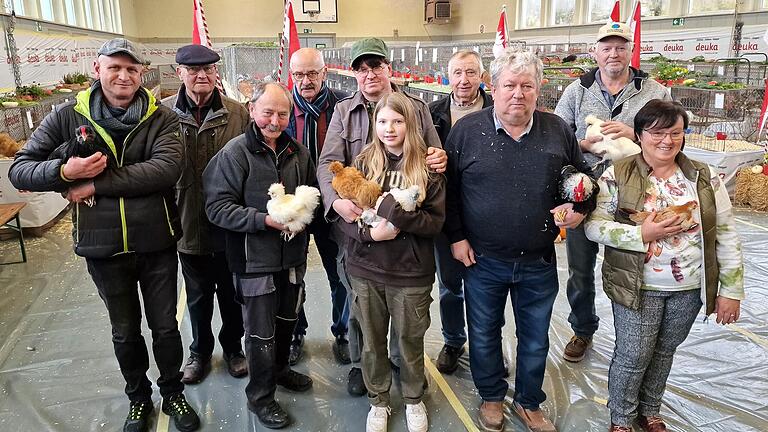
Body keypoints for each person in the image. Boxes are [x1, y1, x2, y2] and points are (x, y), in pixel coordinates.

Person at [9, 38, 200, 432]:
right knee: (125, 329)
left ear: (141, 75)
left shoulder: (160, 117)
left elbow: (165, 169)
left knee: (165, 326)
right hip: (102, 246)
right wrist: (64, 173)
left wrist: (95, 185)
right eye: (115, 67)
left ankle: (173, 392)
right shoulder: (67, 117)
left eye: (131, 69)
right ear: (97, 70)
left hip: (156, 242)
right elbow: (20, 169)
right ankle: (138, 398)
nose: (123, 75)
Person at [444, 48, 596, 432]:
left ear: (539, 88)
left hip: (539, 260)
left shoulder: (558, 129)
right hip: (482, 260)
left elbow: (583, 181)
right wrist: (457, 238)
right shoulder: (466, 131)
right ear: (492, 88)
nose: (518, 93)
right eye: (509, 85)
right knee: (482, 333)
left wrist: (581, 207)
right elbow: (449, 190)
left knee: (534, 338)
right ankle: (492, 396)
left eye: (526, 85)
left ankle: (529, 402)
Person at [584, 100, 744, 432]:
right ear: (640, 135)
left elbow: (726, 232)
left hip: (688, 288)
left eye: (675, 133)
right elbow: (593, 226)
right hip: (636, 285)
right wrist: (641, 233)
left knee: (664, 351)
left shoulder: (704, 176)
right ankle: (622, 418)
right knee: (633, 356)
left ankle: (650, 410)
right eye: (657, 133)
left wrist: (730, 290)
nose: (666, 141)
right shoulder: (618, 173)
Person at [317, 37, 446, 397]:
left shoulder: (417, 108)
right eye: (361, 68)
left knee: (404, 314)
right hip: (359, 228)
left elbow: (434, 155)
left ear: (388, 68)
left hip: (407, 238)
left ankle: (398, 364)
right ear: (354, 74)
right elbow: (328, 164)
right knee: (362, 302)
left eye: (375, 66)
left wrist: (440, 160)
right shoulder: (345, 111)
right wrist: (336, 203)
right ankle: (363, 366)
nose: (369, 73)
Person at [554, 21, 672, 363]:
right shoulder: (577, 91)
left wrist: (634, 135)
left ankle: (632, 336)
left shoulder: (654, 92)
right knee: (579, 267)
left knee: (632, 265)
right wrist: (583, 143)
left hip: (637, 192)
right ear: (596, 52)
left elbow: (671, 139)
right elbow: (557, 137)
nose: (613, 53)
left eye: (620, 46)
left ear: (630, 50)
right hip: (585, 190)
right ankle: (583, 329)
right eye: (606, 47)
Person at [203, 81, 315, 429]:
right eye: (268, 112)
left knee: (287, 321)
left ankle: (281, 371)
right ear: (252, 110)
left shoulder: (298, 152)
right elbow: (217, 208)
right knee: (260, 333)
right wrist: (264, 220)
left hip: (292, 257)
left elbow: (311, 193)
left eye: (283, 114)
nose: (275, 121)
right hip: (254, 262)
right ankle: (260, 396)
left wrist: (302, 220)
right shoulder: (236, 154)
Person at [338, 92, 445, 432]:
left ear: (411, 124)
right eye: (382, 121)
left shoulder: (428, 166)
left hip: (411, 272)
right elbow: (345, 219)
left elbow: (433, 223)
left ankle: (413, 398)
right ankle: (379, 401)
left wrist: (387, 207)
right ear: (374, 125)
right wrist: (371, 236)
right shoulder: (363, 163)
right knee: (372, 343)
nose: (389, 128)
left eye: (397, 121)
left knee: (410, 342)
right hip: (366, 270)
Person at [164, 44, 249, 384]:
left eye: (208, 69)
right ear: (179, 73)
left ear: (216, 73)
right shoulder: (163, 114)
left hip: (230, 226)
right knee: (197, 298)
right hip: (187, 223)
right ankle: (199, 351)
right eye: (193, 70)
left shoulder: (238, 114)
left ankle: (233, 348)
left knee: (232, 294)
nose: (202, 75)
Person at [428, 49, 493, 374]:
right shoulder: (433, 113)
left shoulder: (499, 109)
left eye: (471, 72)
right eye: (457, 73)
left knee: (488, 288)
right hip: (445, 214)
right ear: (448, 76)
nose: (464, 80)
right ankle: (453, 341)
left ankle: (487, 347)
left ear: (482, 76)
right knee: (450, 285)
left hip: (488, 214)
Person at [285, 47, 351, 366]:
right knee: (293, 275)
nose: (306, 80)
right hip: (295, 208)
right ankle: (296, 333)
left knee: (340, 273)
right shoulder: (281, 109)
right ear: (291, 75)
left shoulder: (344, 107)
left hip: (333, 208)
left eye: (313, 73)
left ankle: (343, 332)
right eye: (299, 74)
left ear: (325, 73)